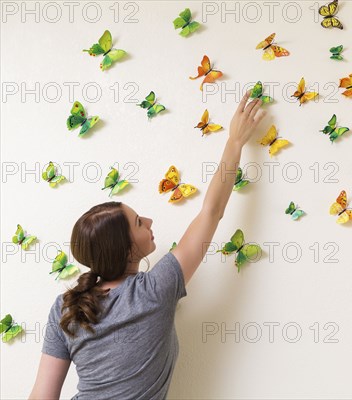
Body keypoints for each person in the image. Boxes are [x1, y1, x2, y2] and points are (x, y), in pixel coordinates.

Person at [29, 91, 266, 400]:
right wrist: (235, 142)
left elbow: (41, 396)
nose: (151, 222)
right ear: (126, 249)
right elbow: (212, 211)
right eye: (139, 222)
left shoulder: (65, 307)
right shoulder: (155, 289)